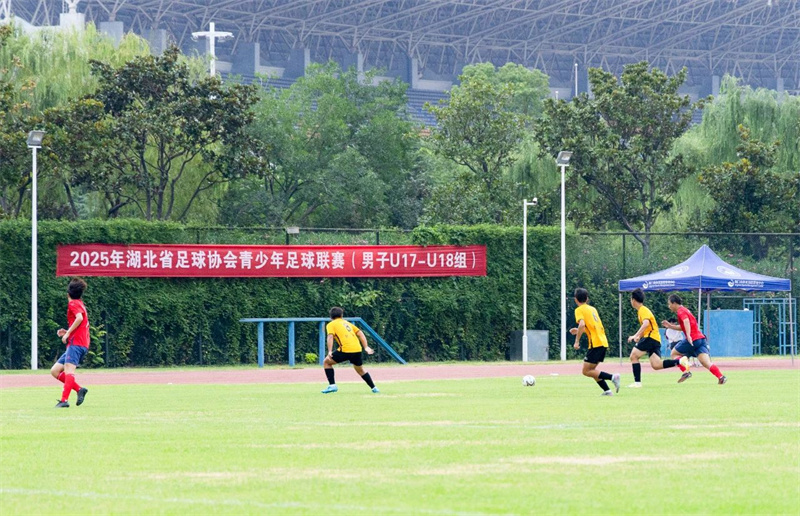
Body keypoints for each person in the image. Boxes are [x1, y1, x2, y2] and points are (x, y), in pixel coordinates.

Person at [661, 294, 727, 384]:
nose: (669, 306)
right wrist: (670, 326)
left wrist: (688, 335)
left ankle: (686, 371)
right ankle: (721, 377)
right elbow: (683, 326)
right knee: (706, 362)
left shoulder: (680, 311)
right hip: (701, 339)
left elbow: (686, 322)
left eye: (669, 304)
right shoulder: (685, 310)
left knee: (674, 353)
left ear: (674, 303)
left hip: (693, 339)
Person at [626, 288, 683, 388]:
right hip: (655, 339)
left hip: (650, 338)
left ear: (633, 300)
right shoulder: (642, 310)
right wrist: (640, 336)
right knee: (656, 365)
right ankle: (680, 361)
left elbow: (646, 323)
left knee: (633, 356)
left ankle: (637, 383)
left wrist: (636, 335)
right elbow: (647, 326)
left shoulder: (642, 310)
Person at [570, 288, 620, 396]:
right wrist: (578, 330)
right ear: (587, 298)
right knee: (592, 370)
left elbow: (582, 324)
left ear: (575, 299)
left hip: (595, 343)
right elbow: (591, 327)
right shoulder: (592, 309)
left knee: (586, 371)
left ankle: (613, 377)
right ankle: (607, 391)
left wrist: (577, 341)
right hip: (602, 341)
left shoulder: (579, 310)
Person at [51, 278, 90, 408]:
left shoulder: (73, 303)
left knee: (69, 370)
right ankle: (79, 389)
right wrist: (67, 332)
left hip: (77, 344)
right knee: (55, 371)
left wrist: (68, 334)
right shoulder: (80, 303)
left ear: (68, 294)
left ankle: (64, 400)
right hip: (79, 342)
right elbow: (80, 322)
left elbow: (79, 318)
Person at [321, 307, 379, 394]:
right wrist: (366, 347)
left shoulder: (331, 324)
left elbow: (330, 336)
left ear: (331, 316)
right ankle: (374, 388)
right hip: (357, 349)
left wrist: (329, 351)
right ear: (342, 315)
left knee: (326, 362)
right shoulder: (347, 323)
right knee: (360, 370)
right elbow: (360, 333)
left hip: (345, 349)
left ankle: (332, 386)